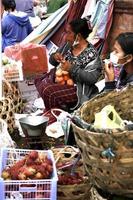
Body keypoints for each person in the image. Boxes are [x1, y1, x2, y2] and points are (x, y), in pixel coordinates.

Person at [35, 18, 102, 116]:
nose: (66, 37)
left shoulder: (92, 54)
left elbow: (92, 78)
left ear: (78, 36)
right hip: (61, 81)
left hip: (77, 89)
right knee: (39, 80)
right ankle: (54, 112)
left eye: (68, 33)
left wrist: (71, 68)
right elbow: (52, 61)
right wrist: (54, 56)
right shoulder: (68, 45)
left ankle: (53, 115)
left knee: (48, 89)